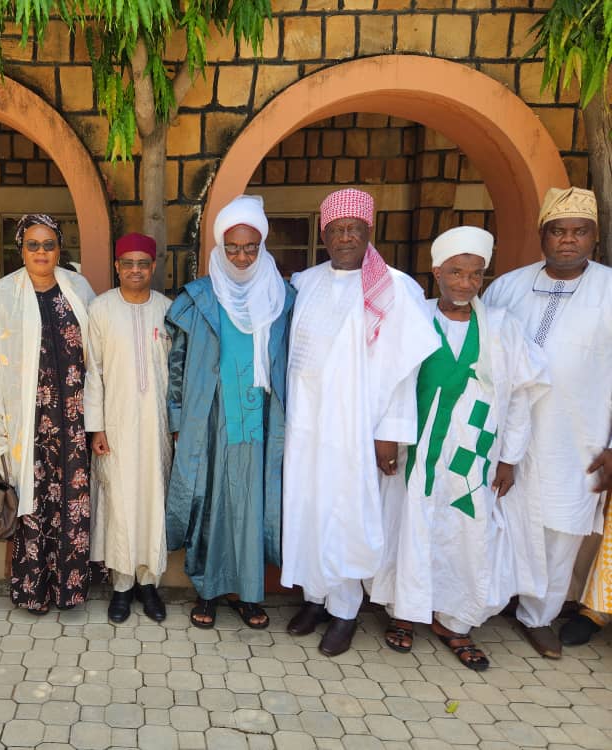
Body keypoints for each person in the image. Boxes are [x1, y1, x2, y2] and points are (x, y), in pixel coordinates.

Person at [369, 226, 549, 670]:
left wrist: (510, 456)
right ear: (436, 272)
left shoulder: (502, 329)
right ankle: (405, 612)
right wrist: (386, 437)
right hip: (419, 454)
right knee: (408, 526)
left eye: (475, 275)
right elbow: (391, 383)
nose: (465, 283)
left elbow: (521, 396)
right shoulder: (416, 318)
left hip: (474, 455)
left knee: (466, 535)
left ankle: (454, 621)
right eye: (456, 272)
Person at [281, 188, 439, 657]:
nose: (345, 237)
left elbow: (405, 371)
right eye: (336, 230)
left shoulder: (395, 287)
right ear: (324, 235)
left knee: (346, 514)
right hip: (306, 423)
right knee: (308, 507)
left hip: (356, 427)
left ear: (369, 231)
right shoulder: (305, 282)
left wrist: (388, 433)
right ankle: (313, 598)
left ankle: (345, 610)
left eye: (354, 229)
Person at [483, 187, 612, 658]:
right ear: (542, 234)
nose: (567, 241)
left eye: (579, 232)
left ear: (594, 238)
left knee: (560, 528)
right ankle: (494, 597)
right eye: (558, 231)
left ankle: (539, 617)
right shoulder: (508, 287)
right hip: (507, 434)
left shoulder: (609, 290)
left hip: (578, 439)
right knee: (503, 517)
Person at [165, 195, 294, 630]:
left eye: (250, 247)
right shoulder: (199, 297)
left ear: (262, 247)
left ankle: (249, 593)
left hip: (261, 422)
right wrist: (179, 422)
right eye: (233, 247)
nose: (241, 256)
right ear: (220, 248)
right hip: (212, 422)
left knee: (254, 505)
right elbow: (177, 365)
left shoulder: (283, 299)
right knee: (211, 502)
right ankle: (208, 590)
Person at [0, 214, 96, 614]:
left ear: (60, 249)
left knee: (73, 501)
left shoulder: (78, 288)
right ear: (21, 249)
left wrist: (98, 420)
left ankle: (69, 590)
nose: (41, 252)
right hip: (25, 422)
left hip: (74, 421)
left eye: (49, 245)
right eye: (33, 245)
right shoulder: (2, 295)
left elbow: (98, 358)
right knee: (32, 501)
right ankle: (32, 592)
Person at [84, 233, 172, 623]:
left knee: (153, 498)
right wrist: (96, 427)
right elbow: (93, 372)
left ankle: (148, 582)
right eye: (128, 263)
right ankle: (121, 585)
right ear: (117, 267)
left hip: (157, 428)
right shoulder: (100, 310)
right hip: (115, 425)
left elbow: (178, 373)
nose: (135, 270)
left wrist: (177, 425)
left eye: (143, 263)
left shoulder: (168, 310)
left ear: (153, 268)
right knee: (119, 501)